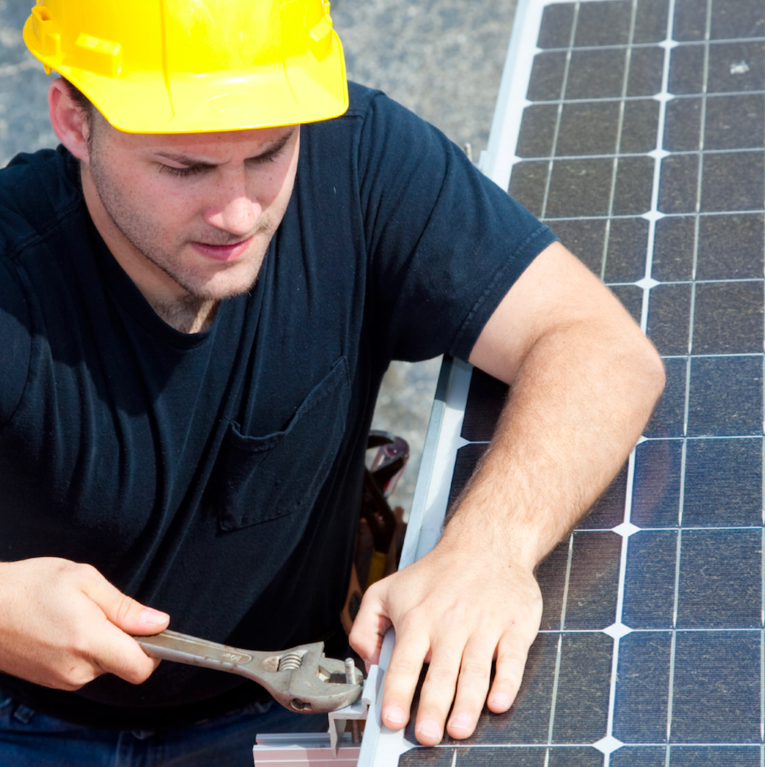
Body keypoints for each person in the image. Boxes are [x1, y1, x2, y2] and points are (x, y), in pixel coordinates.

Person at [0, 0, 665, 763]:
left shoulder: (355, 161)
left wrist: (486, 553)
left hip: (286, 697)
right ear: (74, 121)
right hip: (25, 713)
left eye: (268, 152)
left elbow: (597, 345)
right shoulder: (13, 273)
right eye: (184, 167)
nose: (240, 211)